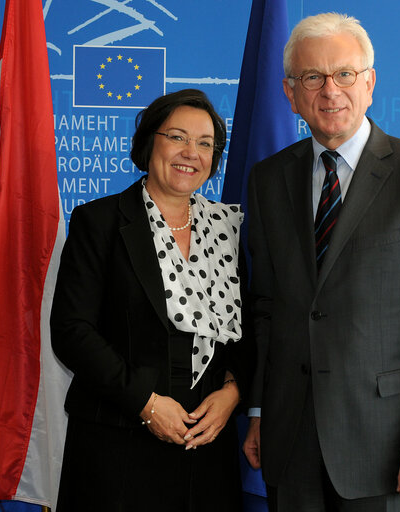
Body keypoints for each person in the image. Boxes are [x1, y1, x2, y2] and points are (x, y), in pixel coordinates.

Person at [242, 12, 400, 512]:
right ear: (290, 92)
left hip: (387, 447)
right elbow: (265, 308)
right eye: (312, 77)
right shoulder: (267, 179)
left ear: (369, 83)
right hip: (290, 440)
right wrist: (259, 409)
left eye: (344, 74)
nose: (330, 91)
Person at [51, 89, 253, 511]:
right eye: (177, 137)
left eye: (204, 143)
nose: (190, 153)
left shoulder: (228, 228)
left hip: (207, 447)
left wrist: (234, 391)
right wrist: (146, 404)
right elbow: (72, 332)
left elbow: (251, 326)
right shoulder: (100, 221)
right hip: (118, 444)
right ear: (149, 143)